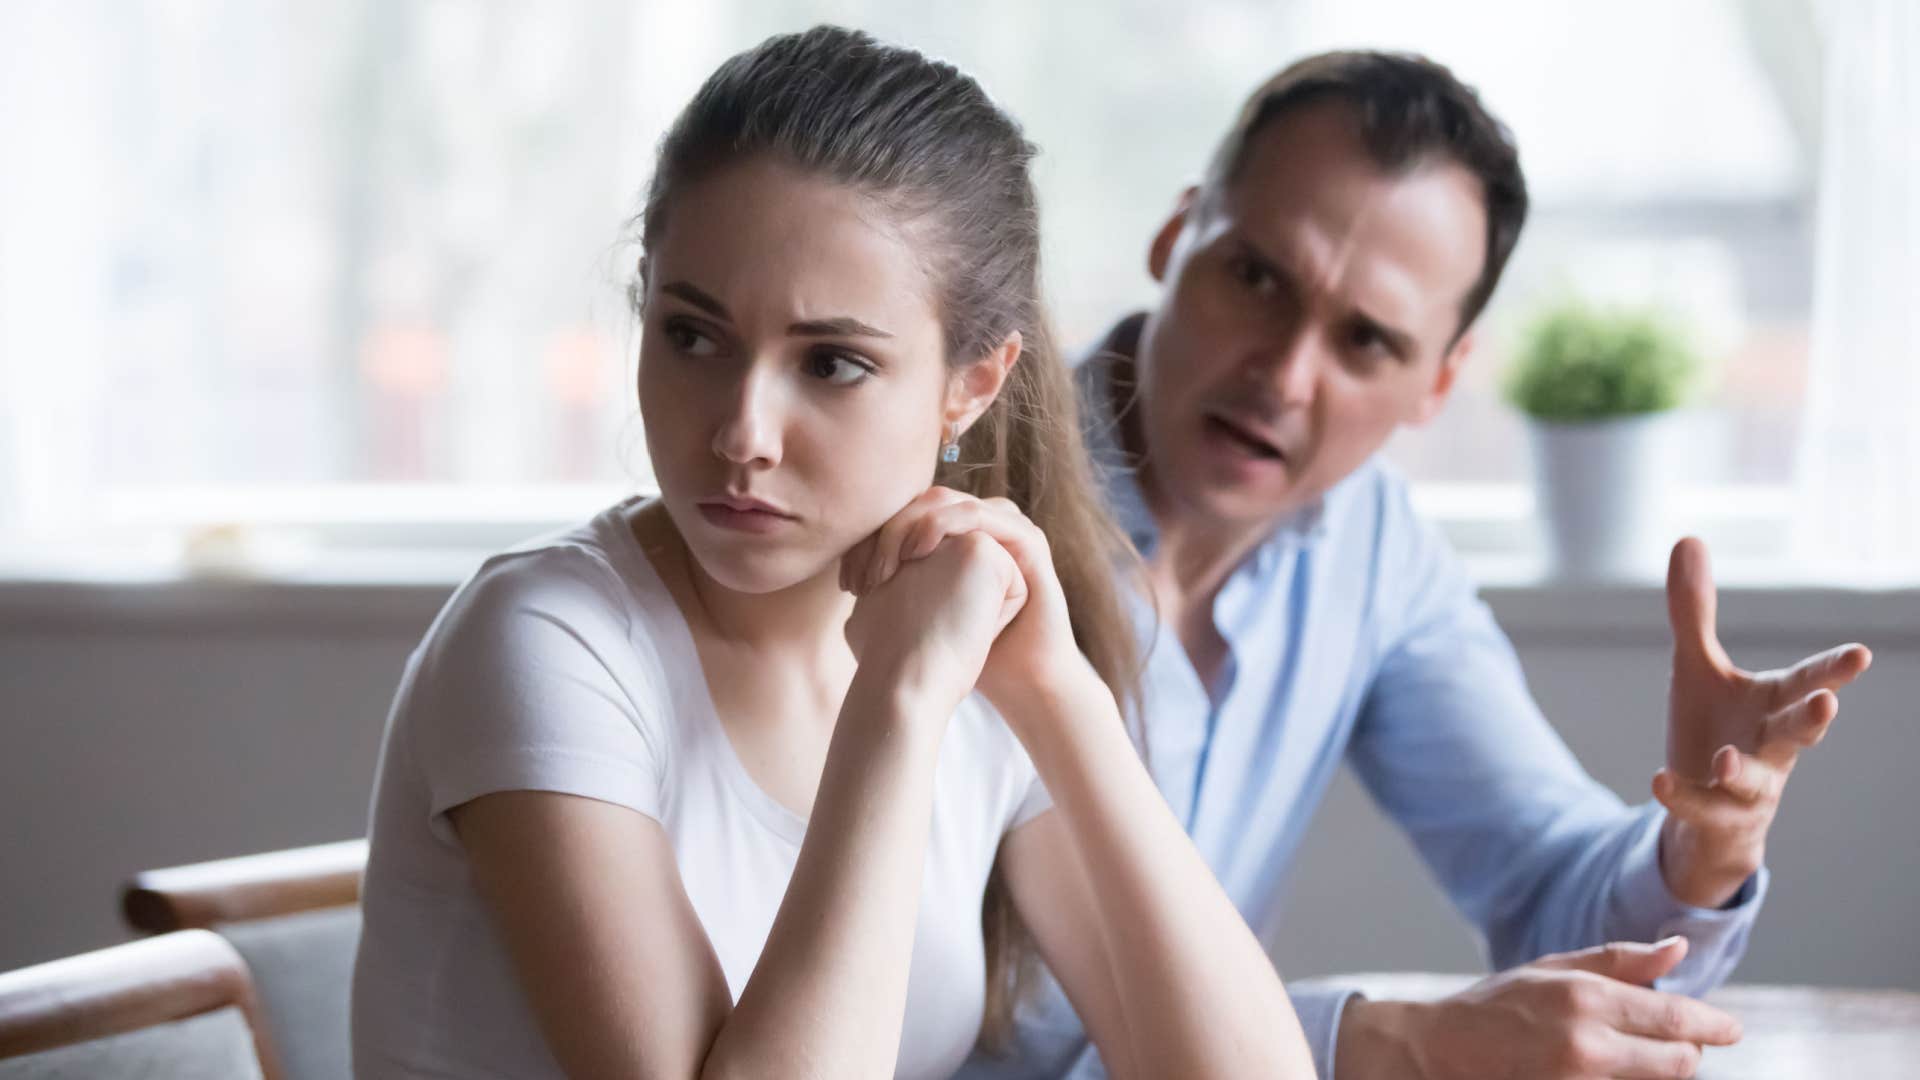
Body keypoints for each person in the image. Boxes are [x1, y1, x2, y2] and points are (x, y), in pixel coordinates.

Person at [350, 26, 1314, 1080]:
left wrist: (1054, 689)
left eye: (833, 364)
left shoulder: (972, 655)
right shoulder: (549, 645)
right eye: (693, 336)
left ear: (973, 384)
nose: (742, 433)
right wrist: (896, 704)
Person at [961, 50, 1874, 1080]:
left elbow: (1550, 891)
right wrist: (1380, 1040)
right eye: (1257, 278)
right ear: (1177, 239)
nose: (1284, 374)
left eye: (1367, 341)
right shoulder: (966, 504)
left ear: (1438, 383)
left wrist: (1701, 847)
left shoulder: (1372, 547)